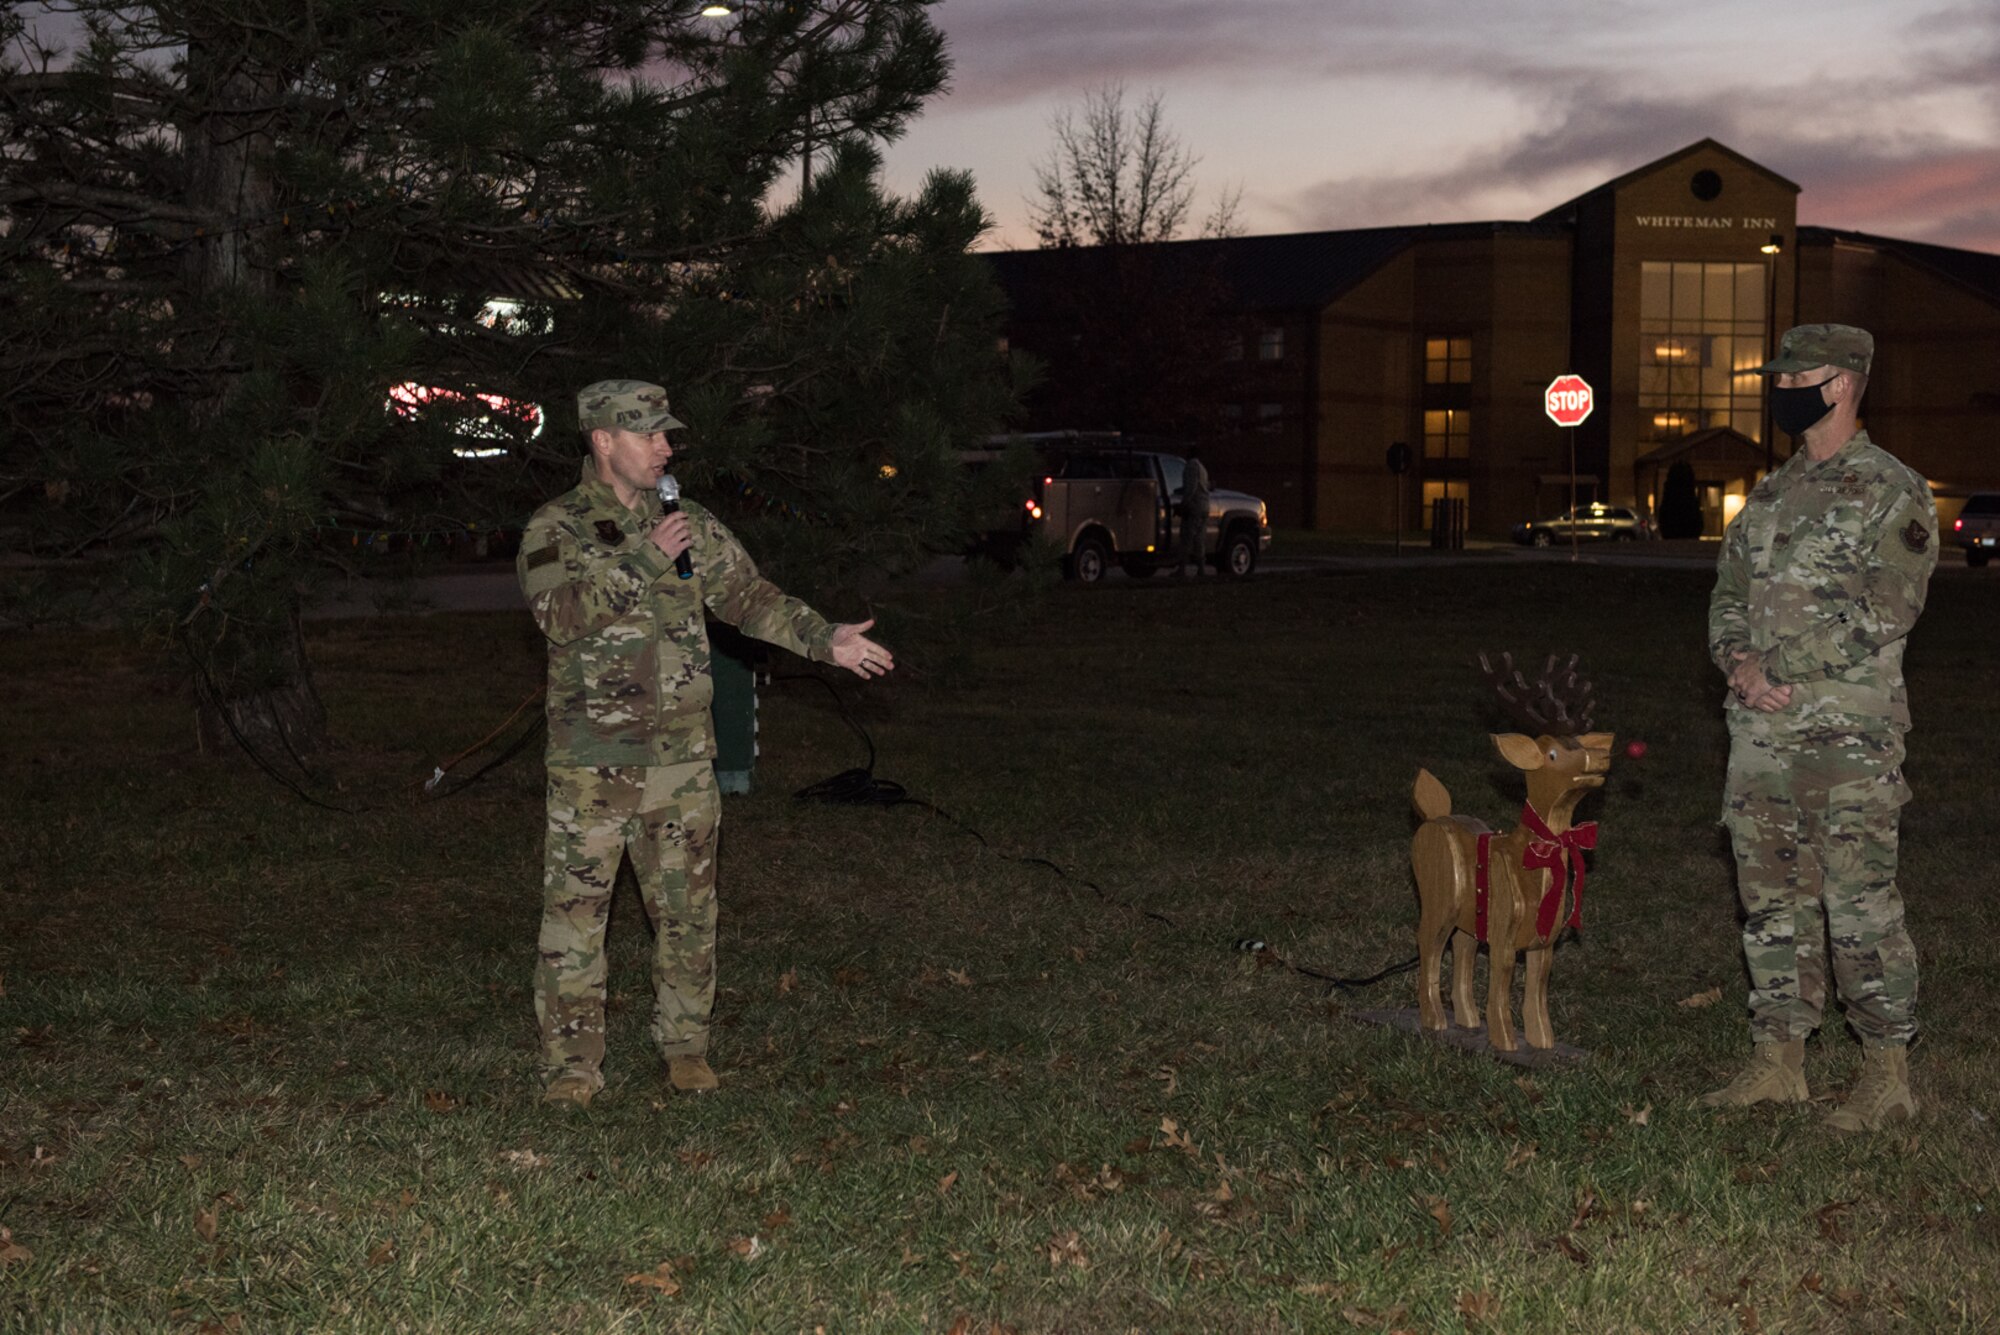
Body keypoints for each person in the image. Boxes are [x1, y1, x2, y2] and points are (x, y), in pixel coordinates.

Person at [517, 380, 894, 1108]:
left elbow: (752, 599)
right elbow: (560, 617)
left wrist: (826, 639)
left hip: (682, 761)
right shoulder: (555, 527)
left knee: (688, 915)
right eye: (649, 433)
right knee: (574, 922)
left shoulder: (688, 521)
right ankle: (571, 1067)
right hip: (591, 764)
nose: (665, 445)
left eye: (667, 433)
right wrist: (647, 560)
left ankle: (686, 1047)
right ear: (603, 441)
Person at [1701, 324, 1937, 1132]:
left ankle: (1886, 1073)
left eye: (1793, 375)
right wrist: (1737, 660)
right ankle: (1779, 1061)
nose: (1779, 388)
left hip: (1848, 737)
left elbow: (1889, 606)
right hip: (1760, 736)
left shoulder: (1892, 489)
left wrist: (1783, 665)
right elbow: (1727, 589)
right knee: (1771, 900)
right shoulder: (1769, 494)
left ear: (1840, 383)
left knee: (1859, 900)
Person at [1173, 449, 1212, 577]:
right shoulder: (1202, 468)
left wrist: (1183, 504)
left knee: (1186, 538)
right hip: (1204, 506)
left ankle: (1182, 569)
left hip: (1194, 507)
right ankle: (1201, 569)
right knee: (1199, 539)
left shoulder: (1191, 466)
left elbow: (1191, 488)